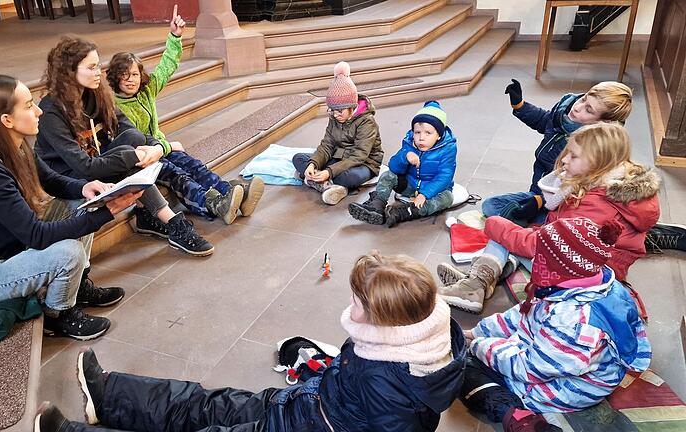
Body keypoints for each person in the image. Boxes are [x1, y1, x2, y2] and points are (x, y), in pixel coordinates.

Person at [34, 251, 466, 432]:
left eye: (356, 300)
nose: (348, 305)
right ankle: (110, 396)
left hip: (310, 426)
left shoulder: (393, 382)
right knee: (209, 403)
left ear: (383, 318)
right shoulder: (413, 332)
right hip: (304, 407)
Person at [0, 75, 142, 340]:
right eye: (29, 105)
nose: (39, 111)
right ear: (6, 120)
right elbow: (36, 235)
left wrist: (84, 187)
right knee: (68, 252)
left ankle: (77, 287)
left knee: (84, 203)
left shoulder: (9, 143)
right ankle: (59, 314)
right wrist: (108, 211)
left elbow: (50, 179)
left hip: (10, 248)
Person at [439, 122, 660, 314]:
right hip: (587, 265)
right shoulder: (603, 189)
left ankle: (475, 285)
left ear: (599, 165)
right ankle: (482, 279)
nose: (564, 160)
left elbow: (545, 245)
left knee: (502, 232)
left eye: (574, 156)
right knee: (512, 231)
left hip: (582, 276)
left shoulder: (595, 204)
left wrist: (496, 226)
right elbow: (556, 231)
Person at [459, 217, 651, 432]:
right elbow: (523, 314)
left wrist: (479, 346)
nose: (534, 260)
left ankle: (519, 417)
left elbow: (530, 369)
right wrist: (478, 332)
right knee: (481, 353)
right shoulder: (577, 283)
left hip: (571, 388)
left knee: (462, 370)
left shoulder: (573, 321)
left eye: (540, 256)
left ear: (560, 265)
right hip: (555, 355)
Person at [35, 36, 213, 256]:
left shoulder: (96, 94)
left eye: (98, 65)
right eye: (91, 67)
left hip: (98, 162)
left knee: (134, 137)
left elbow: (130, 131)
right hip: (71, 177)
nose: (98, 72)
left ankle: (155, 217)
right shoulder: (51, 110)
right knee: (128, 157)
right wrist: (133, 156)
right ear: (69, 72)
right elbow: (85, 167)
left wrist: (157, 147)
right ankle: (173, 224)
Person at [105, 5, 264, 225]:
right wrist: (168, 147)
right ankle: (215, 205)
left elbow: (166, 66)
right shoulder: (115, 106)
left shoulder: (146, 90)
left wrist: (175, 36)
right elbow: (135, 143)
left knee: (193, 165)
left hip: (161, 148)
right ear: (115, 78)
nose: (130, 80)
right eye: (124, 76)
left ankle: (232, 193)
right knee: (179, 176)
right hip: (143, 159)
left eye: (134, 74)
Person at [483, 80, 633, 224]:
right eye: (583, 99)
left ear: (602, 123)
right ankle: (528, 219)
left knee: (534, 219)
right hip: (540, 190)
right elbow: (545, 121)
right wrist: (520, 106)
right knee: (491, 206)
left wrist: (540, 202)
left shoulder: (593, 148)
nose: (577, 107)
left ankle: (538, 224)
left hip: (562, 203)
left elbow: (575, 187)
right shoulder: (565, 112)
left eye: (589, 110)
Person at [349, 100, 456, 227]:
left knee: (447, 199)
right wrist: (405, 157)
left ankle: (403, 212)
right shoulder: (410, 143)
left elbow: (445, 176)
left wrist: (424, 194)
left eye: (428, 133)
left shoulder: (448, 149)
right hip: (410, 184)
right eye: (417, 132)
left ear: (439, 135)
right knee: (388, 175)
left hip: (432, 190)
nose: (421, 137)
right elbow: (394, 167)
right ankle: (377, 205)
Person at [292, 61, 384, 205]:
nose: (335, 115)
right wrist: (313, 164)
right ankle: (327, 185)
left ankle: (323, 182)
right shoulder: (335, 117)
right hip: (338, 159)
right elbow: (327, 145)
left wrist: (329, 171)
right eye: (332, 110)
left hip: (364, 163)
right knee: (299, 159)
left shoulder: (367, 121)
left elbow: (358, 156)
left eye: (339, 111)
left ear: (351, 106)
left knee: (348, 177)